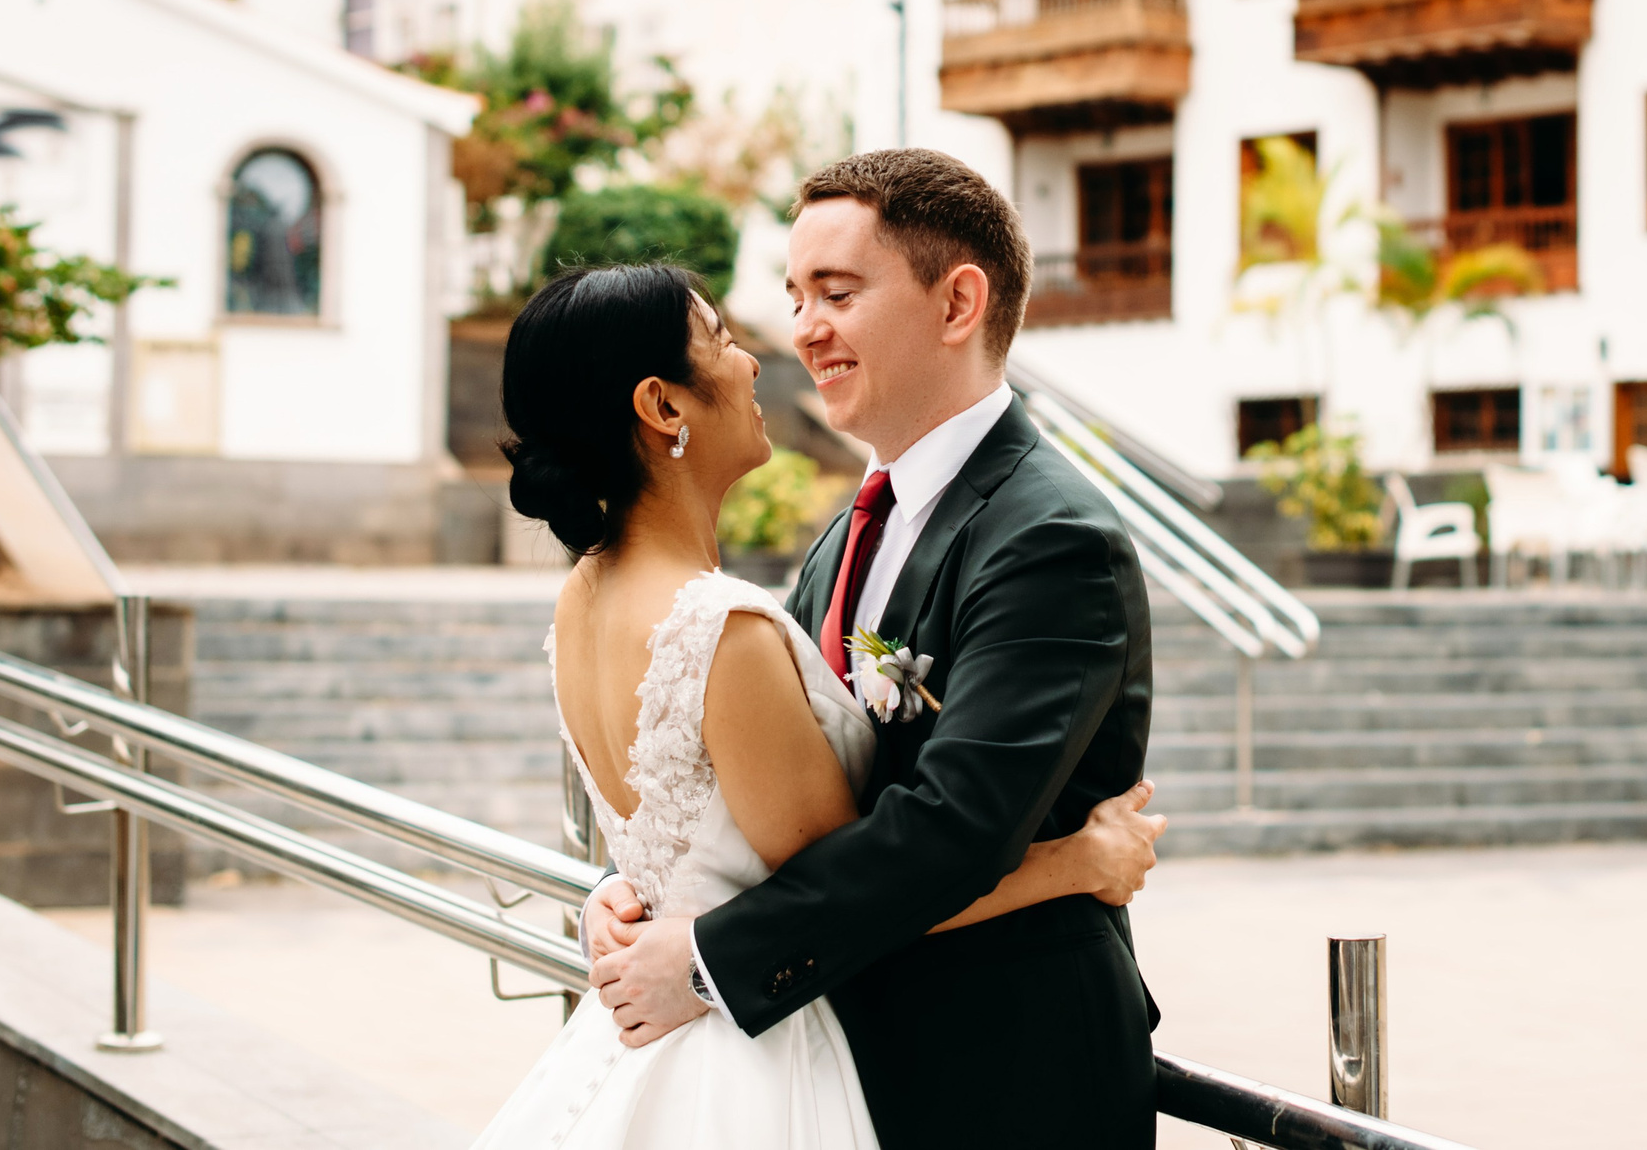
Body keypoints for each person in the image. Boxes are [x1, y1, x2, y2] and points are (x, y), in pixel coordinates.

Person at [472, 256, 1164, 1150]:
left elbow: (725, 824)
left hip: (977, 1065)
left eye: (835, 294)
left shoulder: (586, 596)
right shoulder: (734, 616)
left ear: (956, 302)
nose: (774, 346)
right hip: (758, 1064)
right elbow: (839, 873)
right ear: (664, 405)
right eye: (726, 335)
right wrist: (1077, 861)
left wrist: (635, 891)